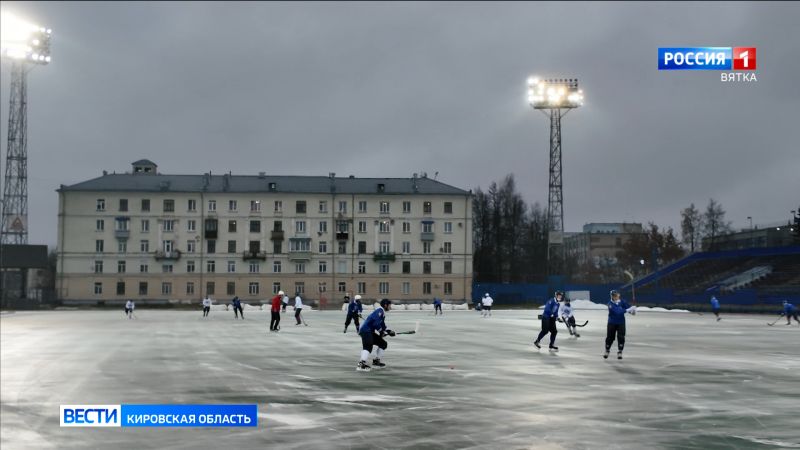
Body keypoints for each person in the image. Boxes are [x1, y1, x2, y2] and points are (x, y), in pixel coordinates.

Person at [356, 298, 395, 371]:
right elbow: (375, 323)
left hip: (370, 331)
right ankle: (361, 364)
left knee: (383, 344)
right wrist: (381, 332)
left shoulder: (382, 313)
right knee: (368, 346)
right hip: (366, 331)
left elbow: (382, 325)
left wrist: (389, 331)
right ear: (385, 305)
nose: (390, 307)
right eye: (389, 305)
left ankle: (376, 361)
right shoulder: (379, 311)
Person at [604, 290, 636, 360]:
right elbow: (618, 312)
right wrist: (629, 309)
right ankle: (607, 350)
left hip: (621, 323)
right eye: (615, 296)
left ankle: (620, 351)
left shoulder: (622, 302)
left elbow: (628, 309)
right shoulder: (610, 304)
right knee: (610, 338)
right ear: (612, 296)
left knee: (621, 337)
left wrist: (633, 311)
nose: (617, 297)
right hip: (612, 323)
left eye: (618, 295)